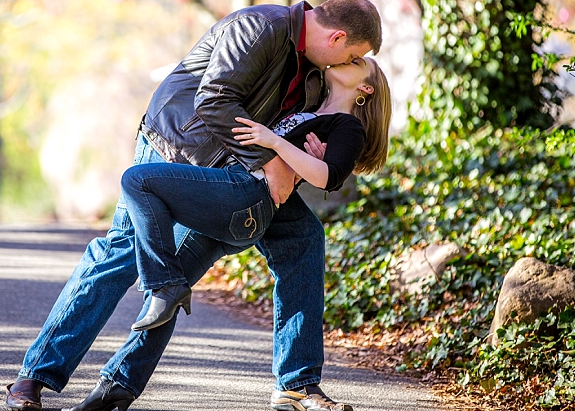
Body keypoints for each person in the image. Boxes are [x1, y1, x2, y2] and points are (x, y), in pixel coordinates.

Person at [6, 0, 383, 411]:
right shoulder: (260, 27)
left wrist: (304, 158)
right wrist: (273, 162)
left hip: (237, 173)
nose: (344, 64)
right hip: (175, 150)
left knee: (303, 238)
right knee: (121, 255)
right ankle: (35, 375)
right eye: (352, 54)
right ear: (336, 37)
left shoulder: (315, 77)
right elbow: (215, 101)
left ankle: (296, 384)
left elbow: (291, 135)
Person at [126, 57, 391, 332]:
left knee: (137, 180)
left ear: (366, 88)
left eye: (357, 62)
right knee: (167, 298)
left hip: (246, 194)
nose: (346, 59)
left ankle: (163, 281)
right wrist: (297, 154)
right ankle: (121, 375)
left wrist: (274, 141)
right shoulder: (308, 109)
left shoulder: (347, 126)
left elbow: (329, 177)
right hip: (230, 189)